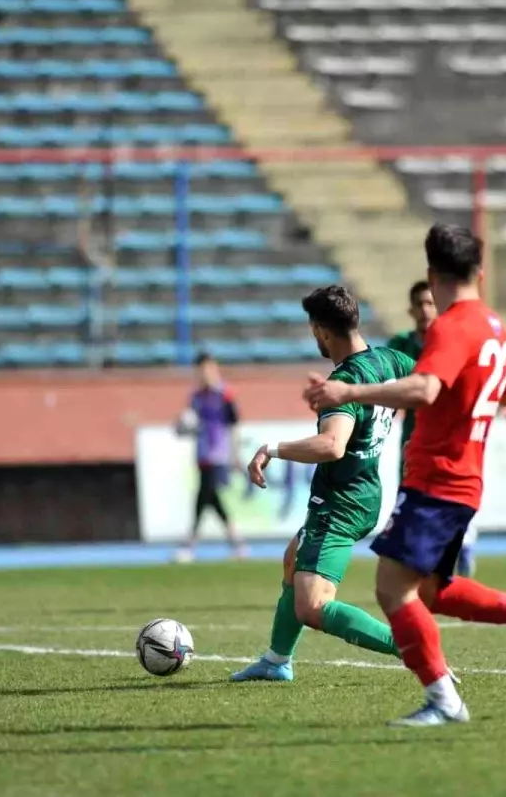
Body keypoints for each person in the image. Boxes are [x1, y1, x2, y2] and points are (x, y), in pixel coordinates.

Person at [305, 224, 506, 727]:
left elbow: (424, 390)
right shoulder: (494, 326)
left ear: (431, 273)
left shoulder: (452, 326)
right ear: (479, 273)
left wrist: (346, 394)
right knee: (432, 591)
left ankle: (445, 701)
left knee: (392, 589)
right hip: (465, 479)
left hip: (437, 477)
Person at [231, 285, 416, 682]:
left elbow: (333, 445)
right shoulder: (390, 360)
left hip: (340, 502)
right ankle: (276, 660)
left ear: (321, 330)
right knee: (292, 561)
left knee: (312, 606)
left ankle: (413, 646)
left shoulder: (345, 382)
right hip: (366, 490)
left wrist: (272, 449)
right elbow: (431, 383)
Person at [387, 280, 506, 576]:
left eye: (429, 303)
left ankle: (460, 550)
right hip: (413, 441)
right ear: (410, 310)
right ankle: (432, 568)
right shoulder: (400, 345)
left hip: (453, 437)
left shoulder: (453, 337)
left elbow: (493, 381)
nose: (424, 310)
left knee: (450, 498)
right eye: (418, 304)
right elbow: (389, 383)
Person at [174, 353, 248, 563]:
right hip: (202, 452)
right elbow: (189, 425)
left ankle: (189, 543)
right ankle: (236, 540)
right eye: (200, 370)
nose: (204, 374)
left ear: (214, 369)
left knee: (204, 495)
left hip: (220, 453)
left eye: (207, 369)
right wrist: (182, 427)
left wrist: (236, 455)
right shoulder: (196, 396)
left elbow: (233, 425)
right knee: (211, 497)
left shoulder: (224, 394)